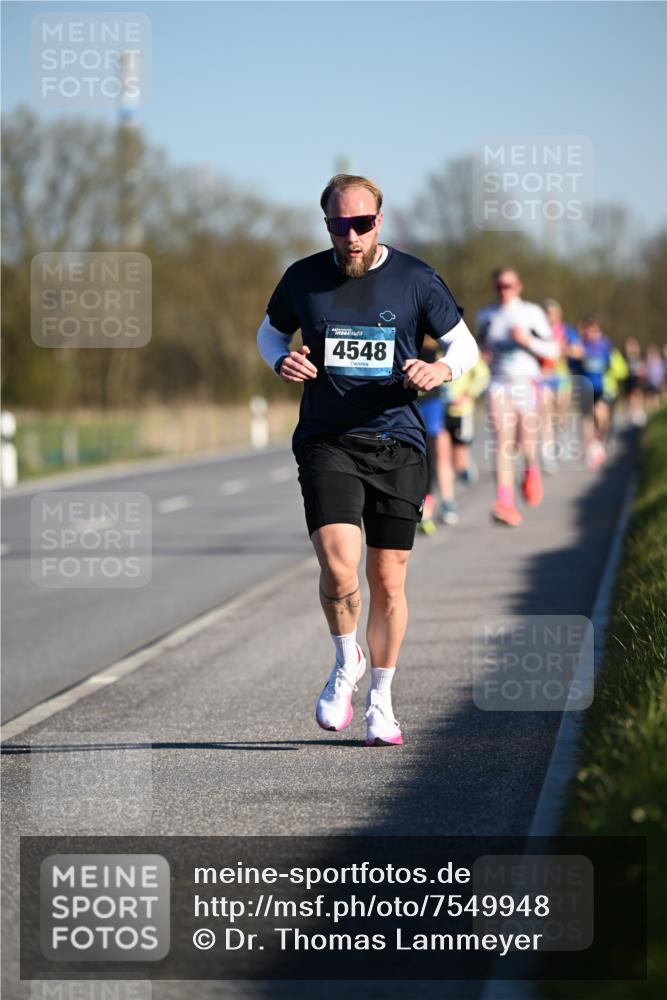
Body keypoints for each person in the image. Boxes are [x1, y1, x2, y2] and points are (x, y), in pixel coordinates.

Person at [257, 174, 478, 746]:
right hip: (327, 439)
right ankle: (344, 660)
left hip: (397, 443)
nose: (351, 235)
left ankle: (381, 699)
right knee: (338, 566)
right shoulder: (303, 277)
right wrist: (281, 360)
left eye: (362, 223)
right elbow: (269, 334)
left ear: (379, 221)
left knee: (388, 580)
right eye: (340, 224)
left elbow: (464, 344)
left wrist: (440, 369)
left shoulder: (416, 279)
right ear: (327, 223)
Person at [477, 269, 558, 527]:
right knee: (502, 441)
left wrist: (527, 341)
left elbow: (553, 350)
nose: (505, 290)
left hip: (527, 383)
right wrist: (483, 355)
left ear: (519, 286)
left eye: (509, 285)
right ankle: (505, 503)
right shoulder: (486, 315)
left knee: (526, 443)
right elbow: (481, 348)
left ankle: (531, 470)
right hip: (499, 383)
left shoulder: (531, 313)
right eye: (500, 286)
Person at [577, 315, 613, 469]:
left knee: (601, 415)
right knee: (587, 418)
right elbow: (573, 365)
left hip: (600, 386)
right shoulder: (580, 344)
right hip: (585, 387)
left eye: (594, 330)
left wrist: (587, 355)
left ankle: (598, 441)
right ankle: (591, 447)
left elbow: (607, 363)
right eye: (589, 330)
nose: (591, 334)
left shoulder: (604, 344)